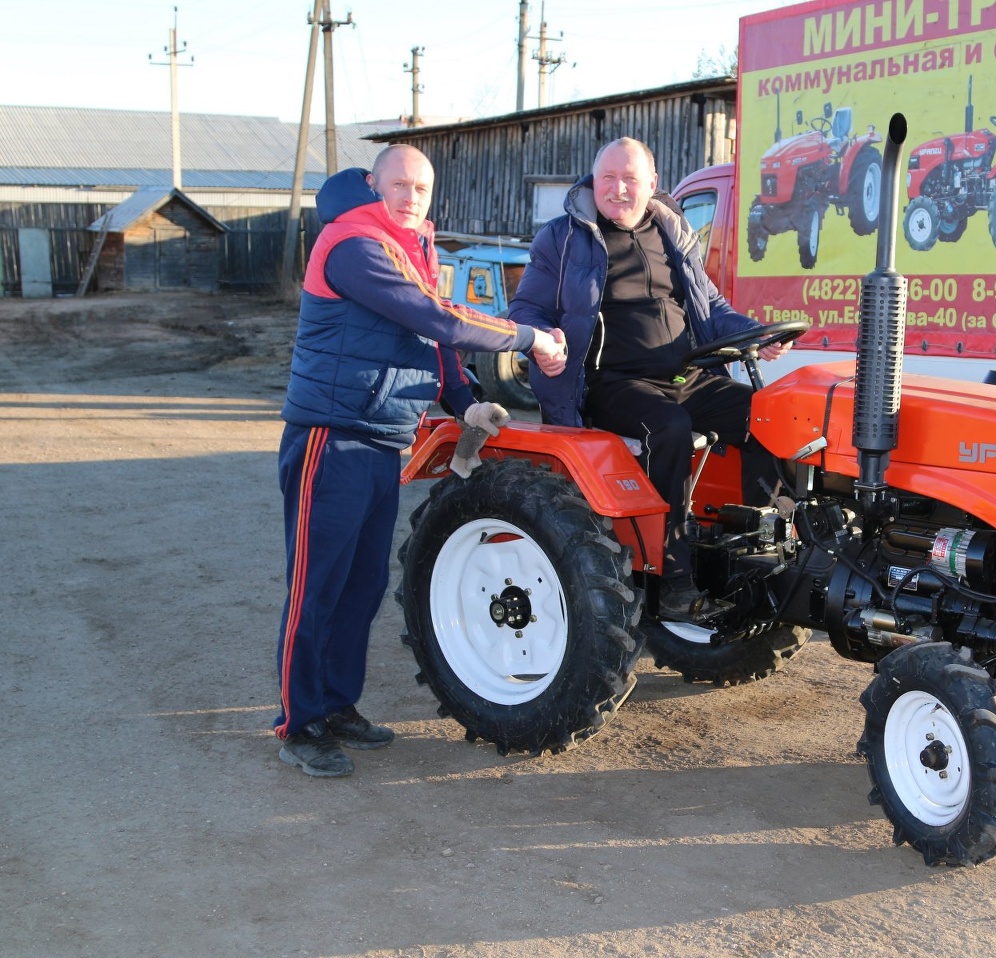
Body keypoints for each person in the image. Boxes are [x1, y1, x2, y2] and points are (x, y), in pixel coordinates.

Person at [274, 143, 567, 777]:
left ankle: (337, 704)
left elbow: (428, 341)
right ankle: (300, 723)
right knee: (316, 585)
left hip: (381, 436)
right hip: (331, 435)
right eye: (400, 184)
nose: (411, 197)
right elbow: (437, 317)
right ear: (372, 184)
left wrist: (464, 400)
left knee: (363, 585)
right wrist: (528, 336)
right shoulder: (355, 244)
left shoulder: (408, 248)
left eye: (423, 189)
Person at [508, 137, 791, 620]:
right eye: (608, 179)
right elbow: (526, 307)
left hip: (688, 376)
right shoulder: (562, 237)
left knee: (772, 417)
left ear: (652, 185)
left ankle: (762, 550)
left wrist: (753, 333)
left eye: (630, 180)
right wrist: (541, 340)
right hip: (611, 383)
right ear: (593, 182)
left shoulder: (673, 233)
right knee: (670, 429)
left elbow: (710, 309)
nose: (618, 190)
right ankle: (667, 575)